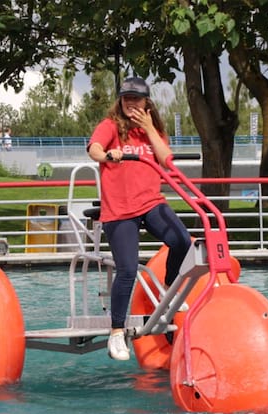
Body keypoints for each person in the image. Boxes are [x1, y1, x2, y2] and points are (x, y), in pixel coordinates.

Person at [87, 77, 192, 361]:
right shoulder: (111, 126)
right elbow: (93, 148)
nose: (130, 103)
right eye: (126, 98)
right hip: (120, 209)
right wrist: (108, 155)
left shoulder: (153, 130)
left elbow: (166, 159)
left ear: (147, 102)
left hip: (150, 203)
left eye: (136, 98)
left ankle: (168, 288)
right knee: (127, 269)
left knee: (182, 240)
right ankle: (117, 332)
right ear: (120, 101)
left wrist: (149, 129)